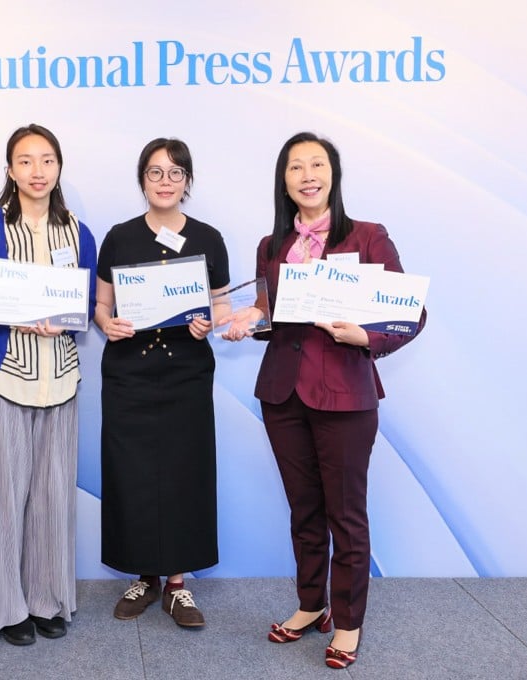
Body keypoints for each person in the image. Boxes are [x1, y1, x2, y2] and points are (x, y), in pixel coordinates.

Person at [221, 131, 426, 669]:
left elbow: (410, 313)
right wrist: (251, 321)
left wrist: (368, 338)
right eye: (295, 167)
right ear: (283, 180)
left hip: (345, 395)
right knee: (304, 510)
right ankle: (312, 606)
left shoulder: (367, 236)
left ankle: (349, 620)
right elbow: (272, 313)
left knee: (346, 514)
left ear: (333, 173)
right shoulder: (272, 247)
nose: (307, 175)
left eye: (317, 164)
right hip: (282, 393)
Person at [0, 124, 96, 646]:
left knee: (54, 498)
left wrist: (63, 316)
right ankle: (7, 608)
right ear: (10, 169)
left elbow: (82, 308)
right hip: (1, 378)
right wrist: (13, 312)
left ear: (59, 168)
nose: (38, 171)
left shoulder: (78, 232)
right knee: (1, 498)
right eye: (26, 161)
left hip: (59, 380)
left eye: (48, 160)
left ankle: (46, 600)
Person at [94, 137, 230, 628]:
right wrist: (106, 323)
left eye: (175, 173)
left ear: (187, 181)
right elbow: (101, 305)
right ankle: (143, 576)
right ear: (142, 180)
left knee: (184, 474)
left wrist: (209, 321)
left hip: (186, 374)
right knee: (130, 474)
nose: (165, 182)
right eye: (155, 172)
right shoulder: (119, 237)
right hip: (129, 374)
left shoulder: (208, 238)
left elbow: (221, 303)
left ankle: (177, 583)